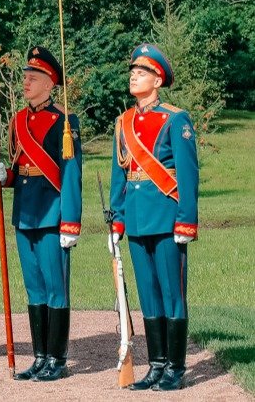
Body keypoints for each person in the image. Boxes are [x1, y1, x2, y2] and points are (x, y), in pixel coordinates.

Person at [0, 46, 82, 381]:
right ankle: (40, 356)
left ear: (49, 82)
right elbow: (18, 167)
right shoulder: (18, 120)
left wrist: (70, 221)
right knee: (34, 288)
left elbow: (71, 175)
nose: (25, 82)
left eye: (33, 77)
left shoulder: (64, 121)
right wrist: (5, 176)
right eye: (25, 76)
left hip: (52, 213)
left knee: (55, 288)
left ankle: (57, 359)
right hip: (24, 213)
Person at [109, 44, 198, 391]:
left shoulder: (176, 119)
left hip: (166, 217)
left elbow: (188, 175)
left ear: (158, 79)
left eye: (141, 72)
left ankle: (175, 368)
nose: (133, 76)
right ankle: (156, 365)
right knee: (147, 294)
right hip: (136, 217)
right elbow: (120, 174)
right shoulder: (124, 122)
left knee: (172, 294)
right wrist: (117, 219)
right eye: (132, 71)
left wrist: (186, 220)